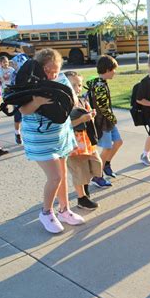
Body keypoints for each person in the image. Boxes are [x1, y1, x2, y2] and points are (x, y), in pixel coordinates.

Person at [18, 48, 85, 233]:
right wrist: (38, 101)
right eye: (48, 69)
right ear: (40, 67)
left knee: (62, 175)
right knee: (54, 177)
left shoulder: (61, 78)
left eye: (55, 69)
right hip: (39, 139)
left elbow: (73, 100)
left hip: (61, 135)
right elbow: (23, 110)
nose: (52, 73)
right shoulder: (30, 83)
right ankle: (46, 213)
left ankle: (65, 210)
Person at [65, 71, 100, 210]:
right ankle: (82, 198)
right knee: (78, 170)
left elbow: (88, 118)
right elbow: (65, 126)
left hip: (86, 140)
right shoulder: (65, 104)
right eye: (73, 85)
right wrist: (81, 119)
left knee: (94, 166)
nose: (77, 88)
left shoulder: (82, 100)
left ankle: (85, 189)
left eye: (79, 85)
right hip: (73, 143)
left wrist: (91, 115)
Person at [86, 55, 122, 188]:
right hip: (103, 122)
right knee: (106, 148)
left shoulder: (99, 82)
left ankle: (106, 164)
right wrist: (113, 118)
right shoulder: (99, 86)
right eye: (113, 70)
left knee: (118, 142)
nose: (115, 72)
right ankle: (97, 175)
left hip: (108, 121)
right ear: (107, 70)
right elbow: (102, 107)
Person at [9, 54, 29, 144]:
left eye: (16, 64)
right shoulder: (14, 74)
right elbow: (12, 86)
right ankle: (17, 133)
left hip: (28, 99)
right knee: (18, 119)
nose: (14, 66)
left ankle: (28, 136)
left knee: (28, 118)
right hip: (18, 99)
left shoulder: (29, 73)